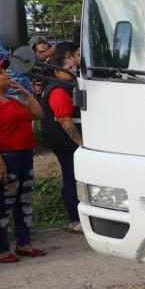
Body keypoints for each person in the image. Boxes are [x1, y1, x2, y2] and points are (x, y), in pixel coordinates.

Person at [0, 60, 47, 264]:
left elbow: (38, 115)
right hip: (6, 157)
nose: (6, 74)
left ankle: (24, 243)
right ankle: (2, 249)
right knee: (3, 203)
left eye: (5, 70)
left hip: (24, 155)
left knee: (24, 201)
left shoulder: (13, 100)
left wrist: (27, 93)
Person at [41, 42, 83, 232]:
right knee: (71, 178)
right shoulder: (58, 90)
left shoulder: (66, 85)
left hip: (67, 143)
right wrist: (80, 144)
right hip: (66, 144)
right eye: (68, 69)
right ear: (57, 73)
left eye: (73, 67)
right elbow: (65, 120)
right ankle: (75, 220)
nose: (73, 71)